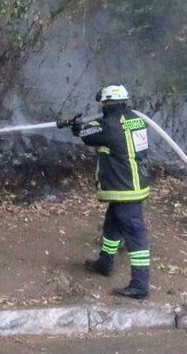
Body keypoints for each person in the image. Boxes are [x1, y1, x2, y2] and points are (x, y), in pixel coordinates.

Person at [70, 84, 152, 299]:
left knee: (136, 238)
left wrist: (77, 127)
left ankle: (140, 286)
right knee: (111, 225)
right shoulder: (136, 119)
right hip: (131, 184)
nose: (102, 106)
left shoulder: (109, 126)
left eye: (103, 103)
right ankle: (105, 263)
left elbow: (89, 135)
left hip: (124, 187)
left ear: (106, 103)